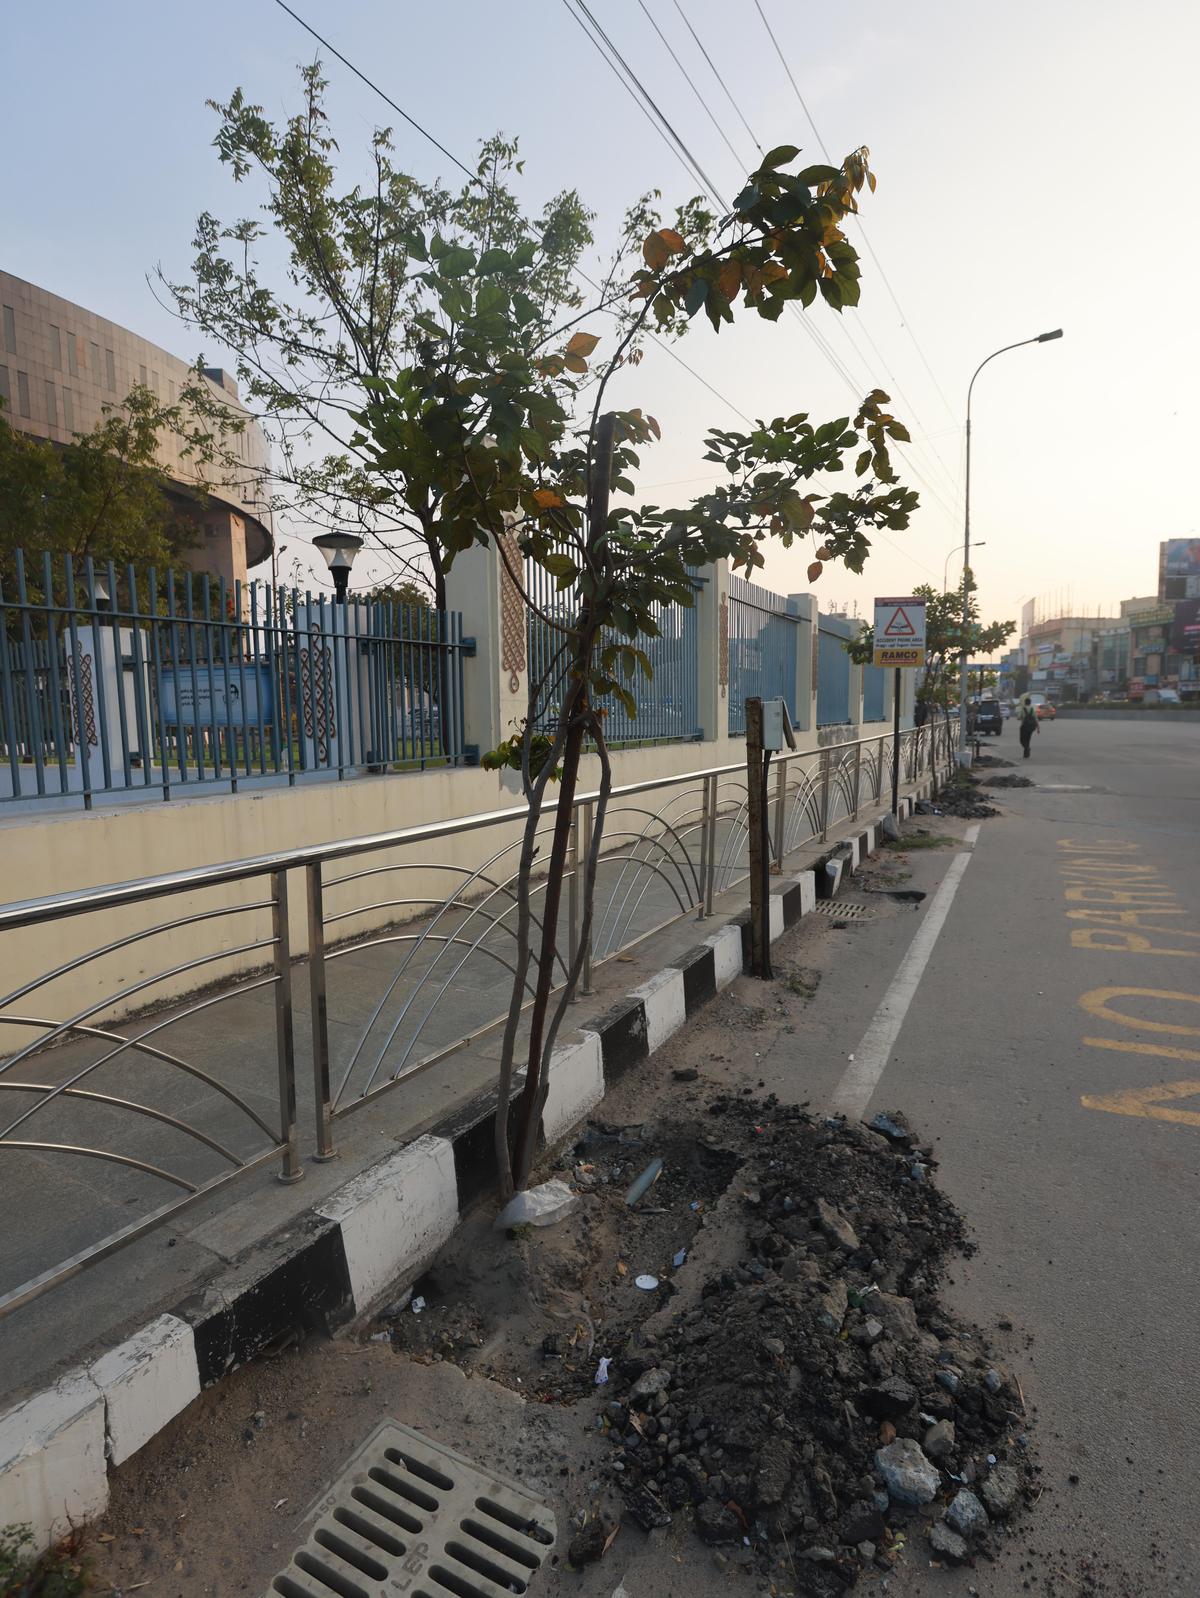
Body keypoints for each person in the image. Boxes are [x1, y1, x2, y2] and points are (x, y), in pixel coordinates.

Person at [1018, 694, 1039, 759]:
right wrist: (1038, 728)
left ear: (1025, 702)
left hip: (1024, 726)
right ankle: (1026, 754)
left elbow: (1019, 717)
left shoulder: (1023, 709)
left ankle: (1027, 749)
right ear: (1030, 703)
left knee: (1022, 740)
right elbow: (1036, 719)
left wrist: (1021, 718)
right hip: (1031, 727)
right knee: (1028, 740)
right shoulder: (1033, 710)